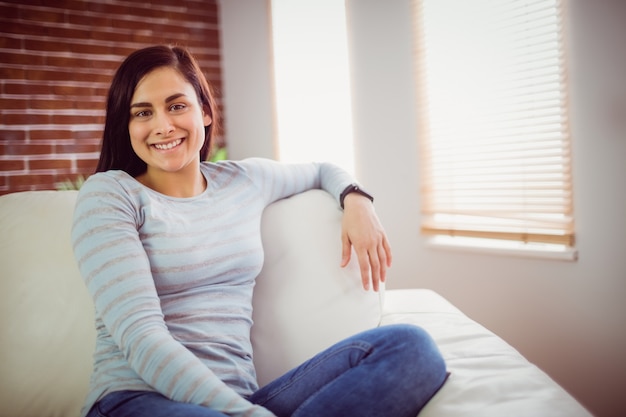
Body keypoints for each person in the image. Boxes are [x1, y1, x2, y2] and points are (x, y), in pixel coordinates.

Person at [71, 45, 447, 417]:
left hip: (242, 400)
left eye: (176, 105)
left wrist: (357, 201)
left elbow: (321, 169)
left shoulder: (243, 180)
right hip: (137, 399)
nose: (162, 125)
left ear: (203, 111)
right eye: (143, 113)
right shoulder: (110, 194)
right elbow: (142, 339)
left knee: (410, 348)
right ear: (128, 125)